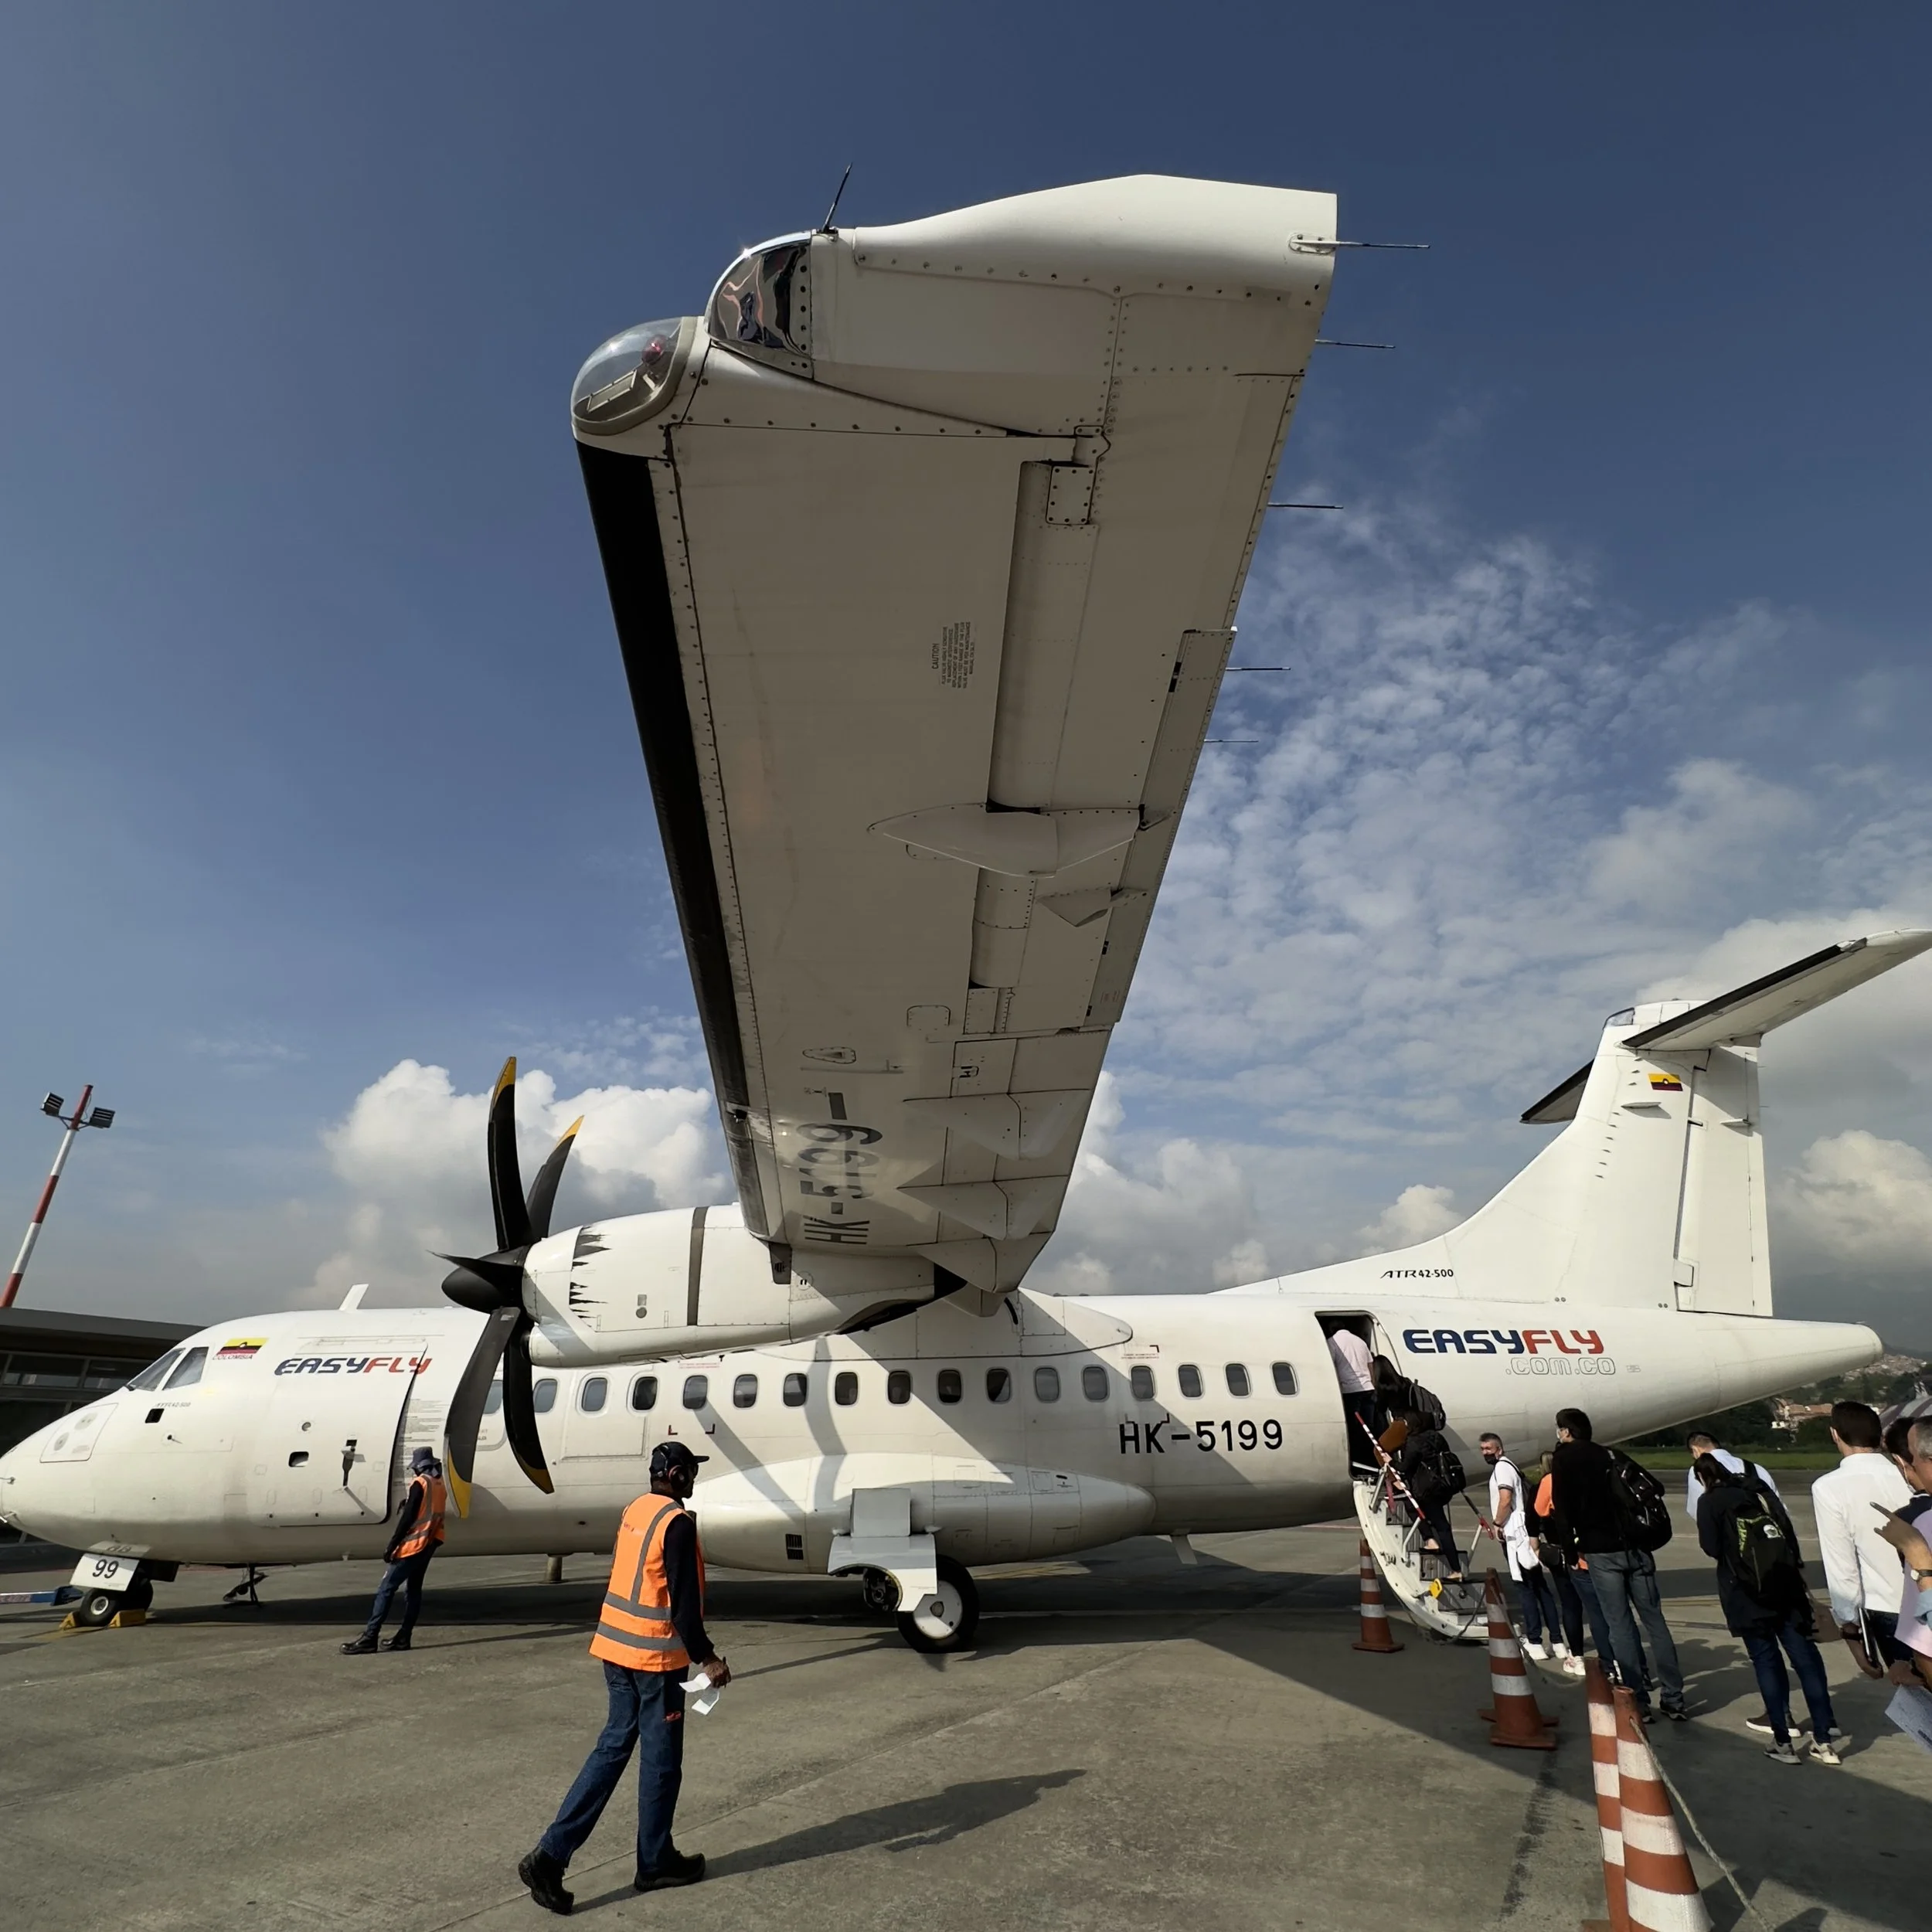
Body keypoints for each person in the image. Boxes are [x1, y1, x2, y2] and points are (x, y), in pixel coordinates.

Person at [519, 1441, 730, 1915]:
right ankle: (654, 1863)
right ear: (675, 1475)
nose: (693, 1480)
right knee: (661, 1762)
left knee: (612, 1750)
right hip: (655, 1663)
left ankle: (550, 1857)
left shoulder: (637, 1509)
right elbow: (682, 1605)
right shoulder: (675, 1523)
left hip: (616, 1650)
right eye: (690, 1472)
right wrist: (708, 1659)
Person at [1693, 1452, 1842, 1764]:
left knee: (1766, 1661)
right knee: (1806, 1659)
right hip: (1786, 1585)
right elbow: (1787, 1532)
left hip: (1747, 1592)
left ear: (1701, 1478)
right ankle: (1825, 1738)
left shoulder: (1710, 1501)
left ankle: (1783, 1742)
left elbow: (1712, 1548)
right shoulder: (1758, 1490)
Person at [1548, 1407, 1689, 1722]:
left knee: (1620, 1625)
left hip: (1600, 1550)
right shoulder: (1609, 1454)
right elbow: (1654, 1487)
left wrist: (1569, 1551)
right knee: (1655, 1621)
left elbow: (1563, 1509)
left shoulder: (1564, 1460)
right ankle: (1674, 1698)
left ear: (1567, 1432)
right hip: (1637, 1546)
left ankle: (1637, 1701)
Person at [1811, 1400, 1913, 1679]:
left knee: (1917, 1701)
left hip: (1888, 1608)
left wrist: (1850, 1629)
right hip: (1924, 1594)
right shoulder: (1906, 1471)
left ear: (1835, 1434)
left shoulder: (1828, 1487)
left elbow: (1841, 1565)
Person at [1481, 1433, 1581, 1675]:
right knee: (1539, 1585)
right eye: (1482, 1449)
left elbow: (1506, 1499)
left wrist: (1497, 1523)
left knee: (1524, 1586)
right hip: (1523, 1531)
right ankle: (1556, 1641)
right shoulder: (1510, 1466)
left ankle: (1535, 1641)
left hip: (1515, 1534)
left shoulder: (1503, 1469)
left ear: (1499, 1448)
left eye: (1488, 1448)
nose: (1485, 1452)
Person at [341, 1445, 445, 1655]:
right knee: (414, 1591)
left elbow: (408, 1519)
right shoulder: (439, 1484)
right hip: (430, 1543)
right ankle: (403, 1637)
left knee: (386, 1589)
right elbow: (429, 1510)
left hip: (413, 1546)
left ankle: (370, 1638)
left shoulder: (420, 1484)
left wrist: (392, 1545)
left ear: (418, 1467)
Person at [1396, 1406, 1464, 1580]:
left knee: (1410, 1505)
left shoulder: (1413, 1442)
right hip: (1442, 1486)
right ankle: (1456, 1568)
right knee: (1443, 1527)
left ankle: (1430, 1540)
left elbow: (1405, 1467)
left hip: (1425, 1489)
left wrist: (1391, 1462)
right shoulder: (1438, 1437)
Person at [1682, 1429, 1780, 1523]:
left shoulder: (1700, 1470)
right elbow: (1778, 1507)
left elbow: (1698, 1511)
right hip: (1767, 1534)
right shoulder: (1757, 1468)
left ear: (1695, 1450)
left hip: (1729, 1536)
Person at [1328, 1327, 1379, 1471]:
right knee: (1369, 1427)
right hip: (1368, 1389)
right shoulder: (1360, 1341)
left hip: (1350, 1391)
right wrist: (1373, 1385)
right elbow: (1371, 1365)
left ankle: (1360, 1463)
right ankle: (1373, 1460)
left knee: (1354, 1429)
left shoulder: (1332, 1342)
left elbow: (1331, 1366)